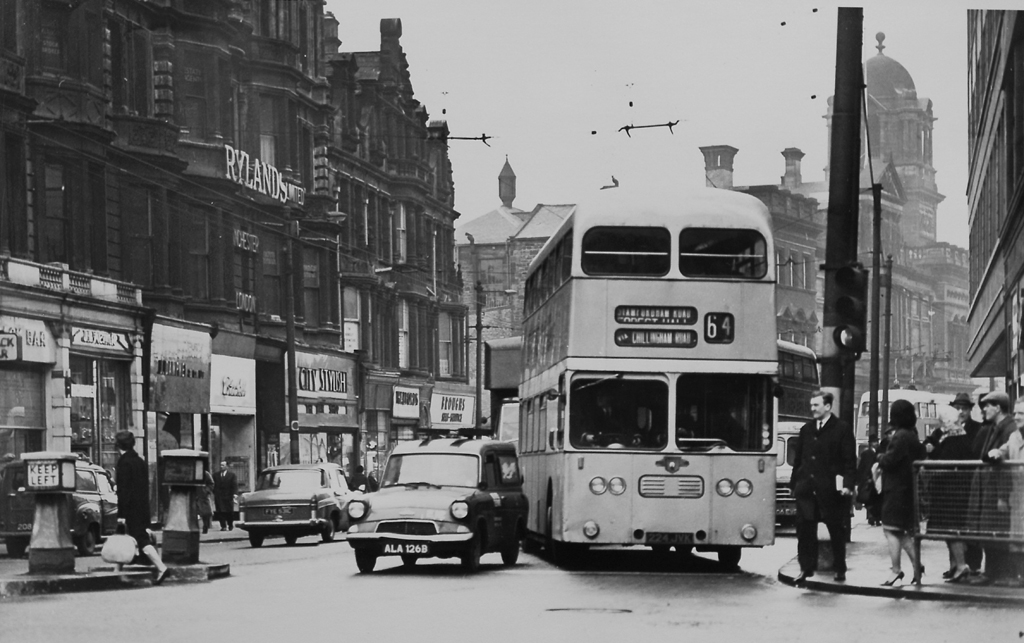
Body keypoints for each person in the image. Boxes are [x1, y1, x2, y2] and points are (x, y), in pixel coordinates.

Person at [791, 391, 856, 583]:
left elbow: (849, 460)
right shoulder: (806, 429)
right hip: (806, 489)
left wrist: (848, 484)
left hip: (830, 490)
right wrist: (795, 484)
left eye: (816, 405)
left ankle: (839, 568)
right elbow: (799, 459)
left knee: (836, 530)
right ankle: (806, 568)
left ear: (827, 406)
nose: (812, 409)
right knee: (804, 530)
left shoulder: (842, 429)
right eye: (811, 405)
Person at [965, 391, 1017, 585]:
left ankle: (997, 573)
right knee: (990, 530)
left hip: (997, 489)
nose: (984, 409)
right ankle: (992, 572)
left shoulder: (1007, 428)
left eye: (988, 405)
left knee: (996, 530)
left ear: (998, 407)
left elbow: (1006, 465)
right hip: (990, 488)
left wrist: (1003, 495)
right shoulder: (997, 427)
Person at [875, 400, 926, 586]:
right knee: (901, 532)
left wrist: (879, 457)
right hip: (907, 489)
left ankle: (896, 570)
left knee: (890, 530)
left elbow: (890, 461)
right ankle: (917, 566)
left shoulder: (900, 436)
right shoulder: (913, 435)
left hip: (896, 490)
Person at [926, 401, 976, 583]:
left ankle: (961, 566)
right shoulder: (953, 436)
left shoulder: (954, 439)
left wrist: (932, 458)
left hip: (951, 492)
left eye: (941, 421)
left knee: (952, 530)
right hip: (952, 490)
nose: (939, 424)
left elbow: (944, 461)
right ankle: (956, 565)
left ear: (947, 422)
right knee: (950, 530)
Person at [114, 431, 168, 585]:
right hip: (142, 507)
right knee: (124, 537)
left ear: (118, 445)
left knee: (141, 540)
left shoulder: (124, 463)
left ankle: (161, 567)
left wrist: (122, 514)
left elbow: (124, 492)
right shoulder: (140, 462)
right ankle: (116, 572)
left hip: (130, 509)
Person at [983, 397, 1024, 586]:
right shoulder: (1015, 436)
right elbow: (1004, 449)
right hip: (1018, 496)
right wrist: (997, 453)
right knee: (1017, 538)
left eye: (1022, 413)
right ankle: (1021, 577)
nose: (1017, 417)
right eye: (1015, 412)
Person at [855, 437, 881, 526]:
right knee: (870, 498)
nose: (876, 443)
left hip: (874, 478)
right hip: (869, 478)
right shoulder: (867, 453)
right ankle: (871, 517)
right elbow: (864, 467)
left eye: (876, 442)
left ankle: (874, 517)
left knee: (873, 499)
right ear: (870, 443)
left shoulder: (875, 453)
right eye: (874, 442)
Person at [213, 460, 239, 531]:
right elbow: (213, 484)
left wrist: (235, 494)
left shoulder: (232, 475)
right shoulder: (215, 475)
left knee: (229, 512)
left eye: (223, 465)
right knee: (220, 511)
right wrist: (214, 492)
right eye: (220, 465)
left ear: (227, 466)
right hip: (219, 496)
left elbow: (234, 485)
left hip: (228, 496)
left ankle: (230, 525)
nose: (221, 467)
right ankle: (223, 526)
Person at [197, 468, 215, 534]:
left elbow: (211, 483)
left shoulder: (205, 473)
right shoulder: (191, 471)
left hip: (203, 496)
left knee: (205, 513)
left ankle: (205, 526)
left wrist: (206, 491)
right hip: (194, 495)